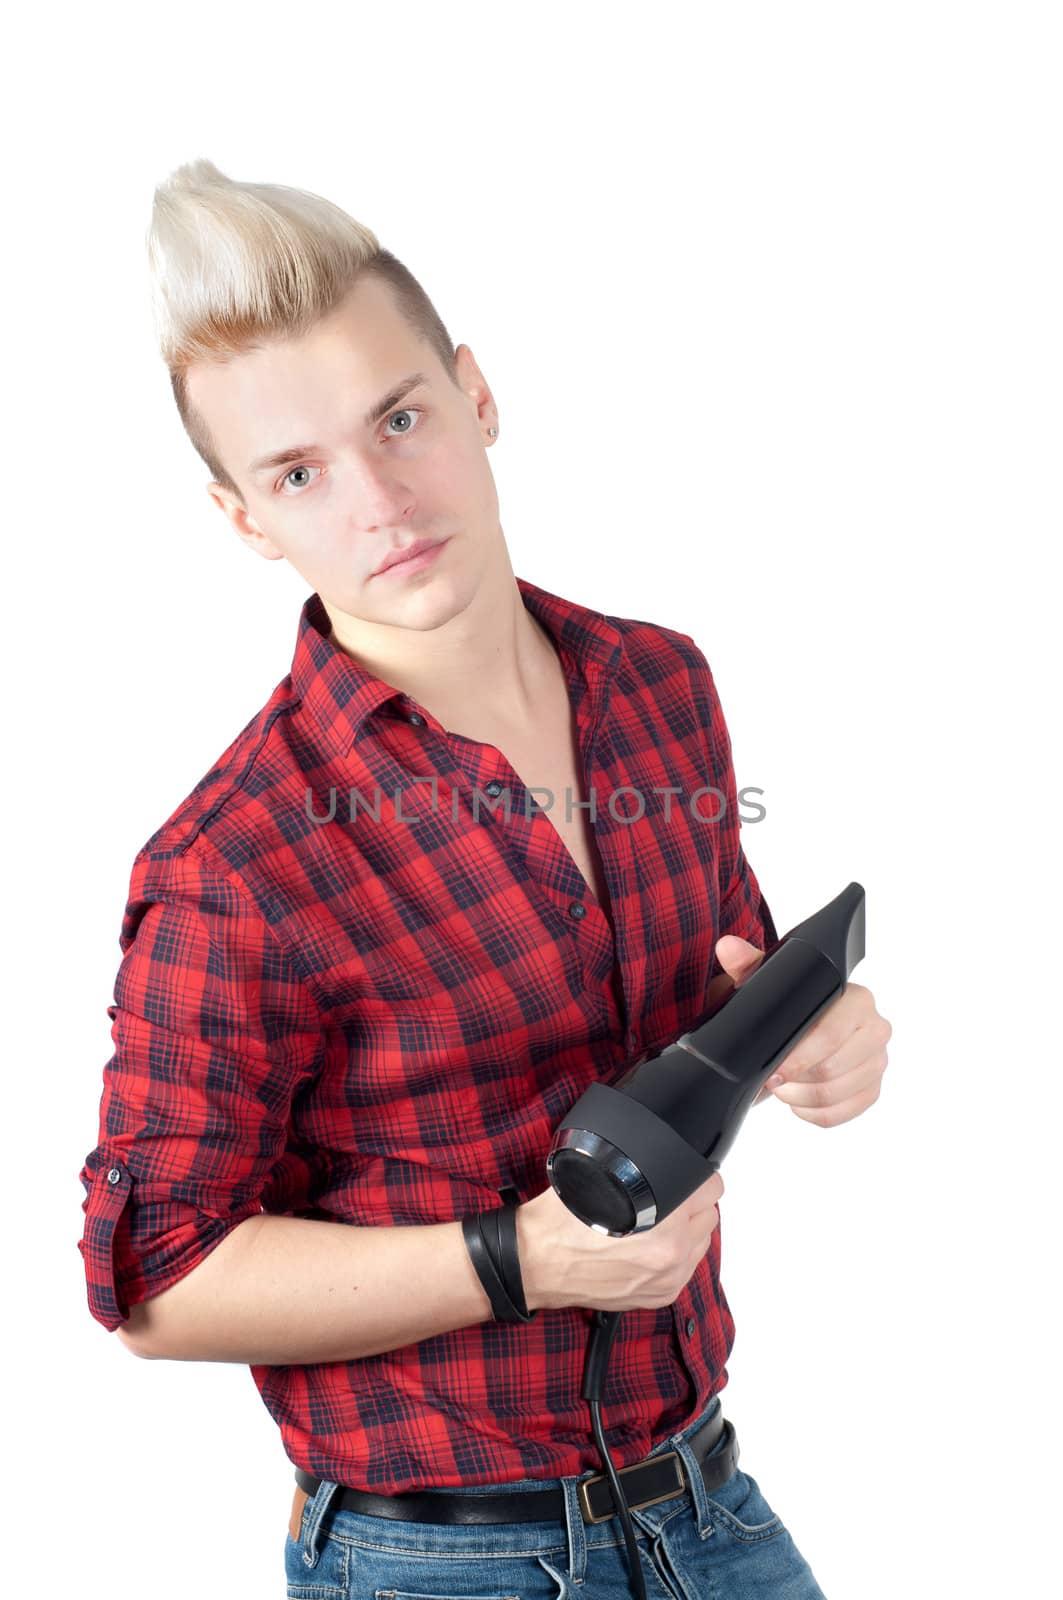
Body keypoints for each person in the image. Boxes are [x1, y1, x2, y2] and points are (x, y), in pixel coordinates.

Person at [78, 158, 890, 1598]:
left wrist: (812, 1038)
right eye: (300, 473)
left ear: (476, 394)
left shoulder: (658, 686)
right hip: (437, 1563)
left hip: (709, 1503)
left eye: (400, 418)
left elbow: (714, 1000)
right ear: (246, 521)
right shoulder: (236, 868)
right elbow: (156, 1281)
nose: (383, 499)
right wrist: (519, 1259)